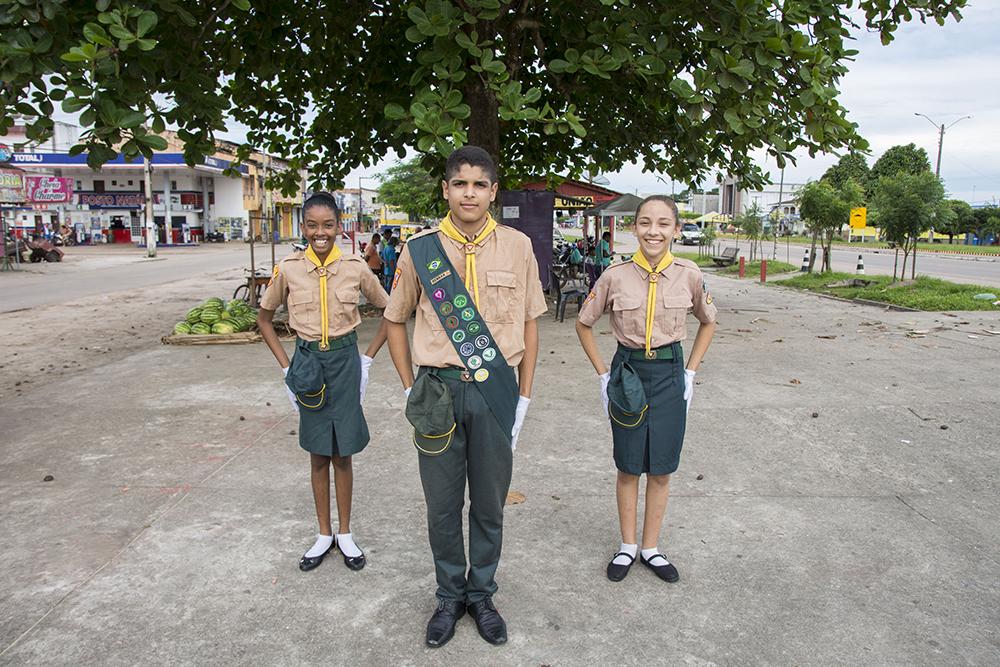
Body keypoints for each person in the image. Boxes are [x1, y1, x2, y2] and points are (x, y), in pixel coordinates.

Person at [383, 146, 547, 648]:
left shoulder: (518, 247)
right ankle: (449, 596)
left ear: (493, 191)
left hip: (497, 391)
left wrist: (523, 396)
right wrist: (412, 386)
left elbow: (529, 325)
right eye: (460, 184)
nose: (469, 193)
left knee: (490, 504)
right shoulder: (421, 250)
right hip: (439, 391)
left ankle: (482, 594)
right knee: (442, 504)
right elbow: (394, 319)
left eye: (479, 184)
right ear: (446, 189)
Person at [575, 195, 717, 585]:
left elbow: (708, 321)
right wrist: (604, 374)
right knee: (628, 464)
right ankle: (627, 546)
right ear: (634, 227)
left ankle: (651, 547)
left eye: (663, 224)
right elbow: (584, 324)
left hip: (670, 372)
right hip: (629, 372)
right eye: (645, 223)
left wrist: (690, 372)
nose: (654, 231)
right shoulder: (613, 276)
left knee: (662, 466)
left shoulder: (690, 274)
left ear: (675, 229)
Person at [257, 192, 390, 574]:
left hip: (346, 362)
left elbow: (391, 309)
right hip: (308, 362)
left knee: (343, 451)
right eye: (312, 225)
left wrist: (367, 359)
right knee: (318, 451)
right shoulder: (289, 269)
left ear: (338, 226)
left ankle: (345, 533)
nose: (320, 233)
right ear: (303, 227)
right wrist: (287, 368)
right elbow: (265, 320)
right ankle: (323, 533)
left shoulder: (354, 267)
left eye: (328, 225)